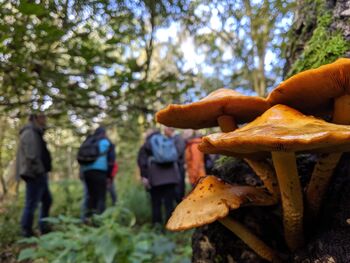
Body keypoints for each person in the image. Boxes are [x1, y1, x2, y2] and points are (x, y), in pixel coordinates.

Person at [16, 113, 52, 237]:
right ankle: (26, 231)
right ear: (35, 118)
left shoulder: (36, 132)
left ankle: (44, 226)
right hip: (35, 173)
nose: (45, 120)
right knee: (32, 203)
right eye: (43, 117)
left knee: (46, 200)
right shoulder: (30, 132)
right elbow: (31, 156)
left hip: (38, 173)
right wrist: (39, 170)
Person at [137, 128, 180, 226]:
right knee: (169, 204)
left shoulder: (147, 144)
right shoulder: (167, 140)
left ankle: (157, 227)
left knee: (156, 203)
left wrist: (144, 176)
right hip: (171, 177)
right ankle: (171, 227)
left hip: (156, 178)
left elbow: (142, 162)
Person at [79, 127, 115, 219]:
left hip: (87, 172)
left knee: (91, 196)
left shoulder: (88, 141)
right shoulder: (106, 142)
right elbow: (111, 161)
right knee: (101, 197)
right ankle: (99, 221)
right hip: (100, 172)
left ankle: (88, 218)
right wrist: (109, 177)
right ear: (104, 133)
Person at [164, 127, 186, 203]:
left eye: (165, 130)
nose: (164, 132)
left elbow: (179, 152)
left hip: (178, 168)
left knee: (179, 190)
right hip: (173, 169)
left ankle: (181, 207)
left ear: (169, 129)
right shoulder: (171, 139)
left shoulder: (178, 138)